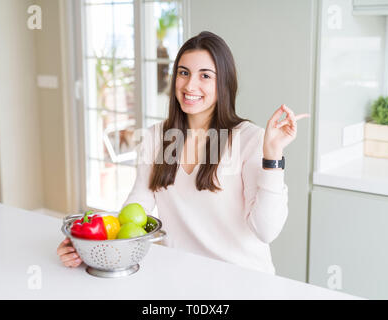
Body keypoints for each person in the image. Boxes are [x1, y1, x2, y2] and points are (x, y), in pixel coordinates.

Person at [57, 31, 309, 274]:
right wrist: (89, 245)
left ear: (224, 83)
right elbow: (136, 211)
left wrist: (273, 153)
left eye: (205, 76)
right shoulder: (157, 137)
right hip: (180, 275)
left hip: (242, 281)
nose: (190, 85)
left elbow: (266, 230)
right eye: (184, 73)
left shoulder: (250, 139)